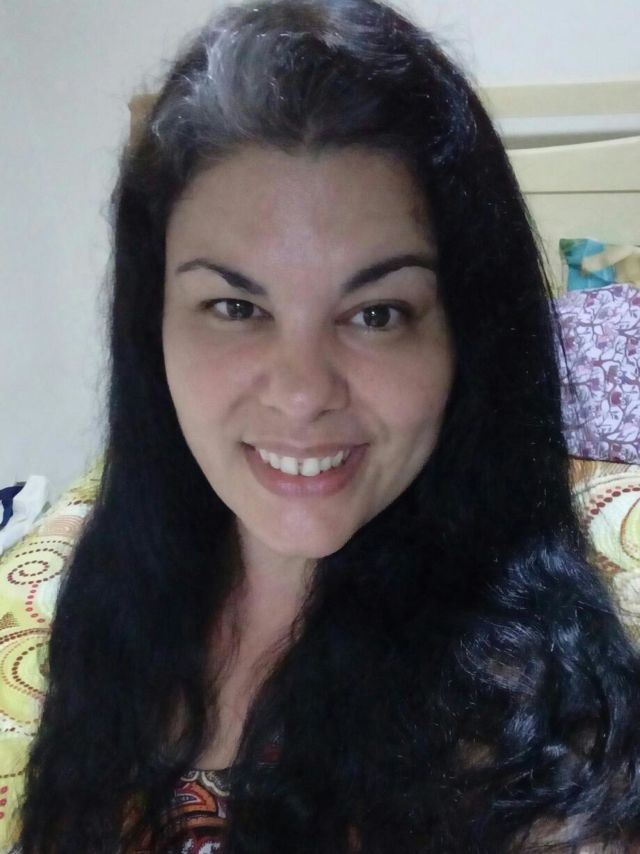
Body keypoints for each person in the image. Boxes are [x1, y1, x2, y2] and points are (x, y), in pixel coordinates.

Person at [15, 0, 640, 851]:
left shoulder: (535, 739)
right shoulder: (119, 590)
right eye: (235, 307)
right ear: (151, 326)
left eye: (377, 314)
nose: (302, 394)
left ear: (465, 335)